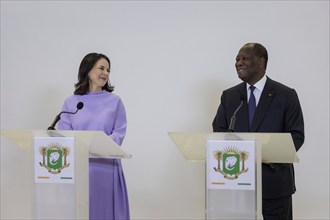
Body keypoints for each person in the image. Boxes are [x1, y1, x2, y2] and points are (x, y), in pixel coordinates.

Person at [212, 43, 304, 220]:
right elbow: (219, 130)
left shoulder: (286, 95)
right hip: (237, 183)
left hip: (274, 183)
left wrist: (267, 156)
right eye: (237, 59)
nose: (238, 62)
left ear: (261, 61)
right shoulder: (229, 96)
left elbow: (296, 135)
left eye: (244, 58)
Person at [57, 53, 130, 220]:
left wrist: (97, 145)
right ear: (88, 70)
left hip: (106, 167)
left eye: (108, 70)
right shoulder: (71, 102)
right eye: (101, 68)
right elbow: (64, 133)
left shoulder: (114, 101)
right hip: (80, 168)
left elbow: (119, 132)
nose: (105, 73)